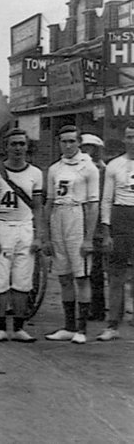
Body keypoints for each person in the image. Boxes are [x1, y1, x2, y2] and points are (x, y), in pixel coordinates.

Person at [0, 129, 44, 343]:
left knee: (23, 280)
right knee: (0, 280)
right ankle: (0, 327)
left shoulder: (36, 173)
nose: (18, 148)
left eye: (21, 144)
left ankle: (19, 327)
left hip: (25, 227)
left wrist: (38, 236)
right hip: (2, 226)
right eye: (13, 144)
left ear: (27, 146)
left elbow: (37, 207)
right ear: (6, 147)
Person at [44, 125, 100, 344]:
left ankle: (82, 329)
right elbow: (49, 203)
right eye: (64, 141)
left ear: (79, 143)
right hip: (59, 215)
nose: (68, 145)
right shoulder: (54, 169)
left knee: (81, 276)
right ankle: (68, 326)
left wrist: (88, 238)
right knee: (64, 275)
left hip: (78, 215)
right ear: (59, 143)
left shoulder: (89, 168)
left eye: (72, 141)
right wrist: (46, 234)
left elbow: (93, 205)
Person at [99, 122, 134, 341]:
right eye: (129, 137)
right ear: (124, 139)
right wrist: (106, 231)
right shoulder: (114, 165)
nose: (133, 141)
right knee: (117, 275)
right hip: (121, 218)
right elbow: (106, 200)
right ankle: (112, 325)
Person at [80, 134, 107, 321]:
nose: (88, 151)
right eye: (85, 147)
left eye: (91, 147)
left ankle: (96, 308)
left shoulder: (103, 170)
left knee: (96, 269)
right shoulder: (77, 168)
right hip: (77, 220)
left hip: (96, 224)